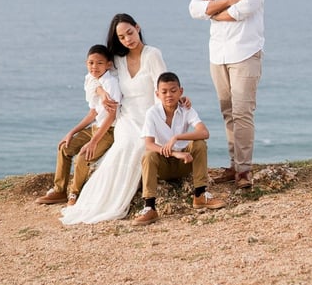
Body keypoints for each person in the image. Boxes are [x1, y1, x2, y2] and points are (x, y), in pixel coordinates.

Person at [60, 13, 167, 225]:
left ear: (137, 27)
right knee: (124, 146)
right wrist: (100, 92)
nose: (128, 39)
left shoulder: (152, 54)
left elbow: (162, 88)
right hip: (126, 117)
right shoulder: (117, 60)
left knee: (139, 146)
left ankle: (144, 204)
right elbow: (92, 76)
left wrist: (160, 120)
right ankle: (96, 200)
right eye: (122, 37)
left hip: (149, 115)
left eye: (130, 32)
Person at [189, 0, 268, 189]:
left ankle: (244, 170)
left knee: (243, 111)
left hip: (246, 51)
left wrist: (215, 11)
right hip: (218, 53)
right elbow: (194, 9)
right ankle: (234, 165)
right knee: (227, 111)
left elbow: (248, 6)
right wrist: (228, 0)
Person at [133, 72, 226, 226]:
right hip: (164, 165)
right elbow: (148, 143)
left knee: (199, 143)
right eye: (164, 92)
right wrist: (175, 153)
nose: (169, 95)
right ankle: (149, 207)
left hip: (185, 163)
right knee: (149, 155)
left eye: (173, 90)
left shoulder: (186, 109)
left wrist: (176, 138)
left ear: (181, 91)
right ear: (157, 94)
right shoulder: (152, 113)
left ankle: (200, 195)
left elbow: (204, 132)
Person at [35, 44, 121, 206]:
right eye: (91, 63)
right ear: (86, 63)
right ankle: (59, 190)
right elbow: (93, 113)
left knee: (83, 157)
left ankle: (74, 192)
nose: (94, 67)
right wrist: (71, 132)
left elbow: (111, 116)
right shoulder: (90, 80)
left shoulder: (111, 84)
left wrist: (93, 141)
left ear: (108, 64)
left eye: (99, 63)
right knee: (64, 148)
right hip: (96, 127)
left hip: (108, 131)